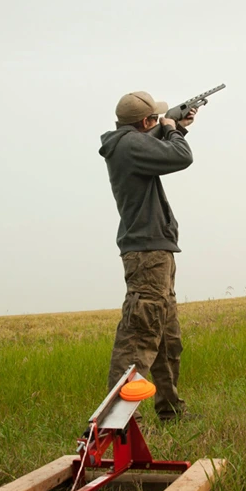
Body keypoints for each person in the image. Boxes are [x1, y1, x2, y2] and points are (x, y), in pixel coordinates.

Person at [98, 91, 199, 423]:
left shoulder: (132, 144)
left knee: (168, 342)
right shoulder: (128, 146)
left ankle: (171, 413)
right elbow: (181, 157)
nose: (158, 122)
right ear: (145, 122)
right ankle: (118, 423)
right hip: (147, 255)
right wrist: (172, 129)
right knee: (139, 338)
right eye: (154, 120)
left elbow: (166, 151)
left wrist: (175, 127)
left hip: (156, 252)